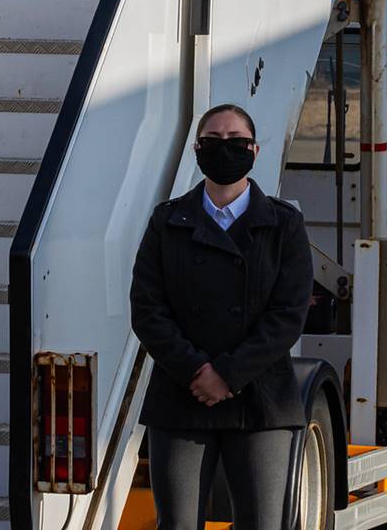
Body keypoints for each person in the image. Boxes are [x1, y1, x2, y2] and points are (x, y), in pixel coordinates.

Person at [130, 104, 312, 530]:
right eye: (213, 141)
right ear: (197, 149)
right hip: (182, 396)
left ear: (254, 149)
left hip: (262, 400)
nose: (224, 149)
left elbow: (287, 315)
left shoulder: (284, 225)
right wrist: (197, 370)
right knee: (177, 525)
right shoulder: (167, 220)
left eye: (235, 141)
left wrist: (226, 375)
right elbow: (147, 309)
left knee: (264, 525)